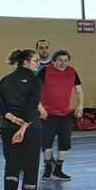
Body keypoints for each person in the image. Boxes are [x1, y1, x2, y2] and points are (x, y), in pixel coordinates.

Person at [0, 49, 42, 190]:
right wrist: (22, 128)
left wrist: (13, 119)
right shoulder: (35, 80)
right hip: (30, 129)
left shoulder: (5, 80)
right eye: (36, 61)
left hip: (7, 128)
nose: (38, 64)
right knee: (31, 166)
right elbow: (32, 106)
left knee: (12, 164)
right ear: (26, 62)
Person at [39, 49, 82, 181]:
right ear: (54, 61)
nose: (63, 63)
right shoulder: (45, 71)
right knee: (46, 142)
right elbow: (34, 91)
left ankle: (58, 169)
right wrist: (40, 108)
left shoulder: (72, 71)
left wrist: (80, 105)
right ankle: (48, 168)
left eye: (65, 61)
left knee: (64, 142)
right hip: (47, 114)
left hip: (65, 114)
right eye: (60, 61)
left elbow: (79, 90)